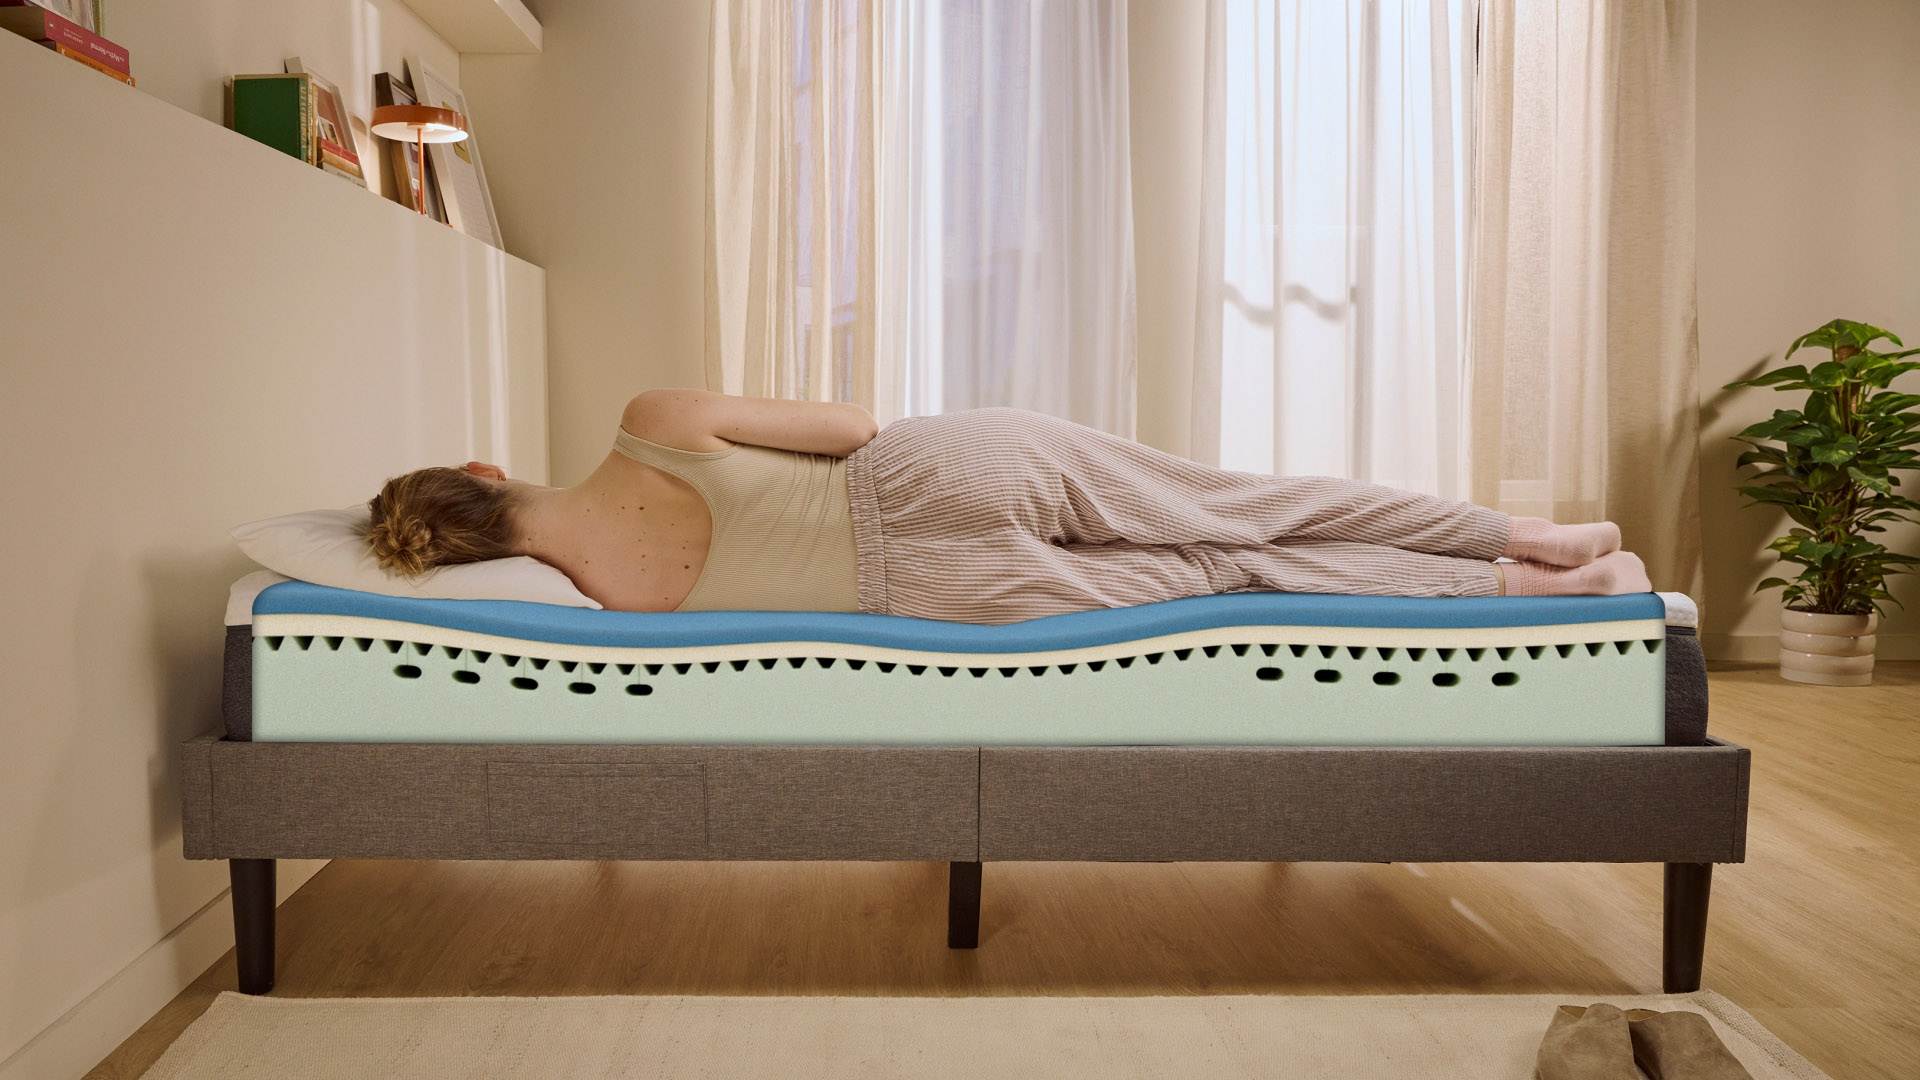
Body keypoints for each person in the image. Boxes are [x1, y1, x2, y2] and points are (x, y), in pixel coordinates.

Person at [364, 389, 1651, 624]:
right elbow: (856, 430)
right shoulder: (652, 425)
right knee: (1251, 505)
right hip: (930, 474)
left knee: (1244, 575)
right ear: (487, 472)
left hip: (933, 595)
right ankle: (1525, 533)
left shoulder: (602, 604)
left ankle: (1530, 592)